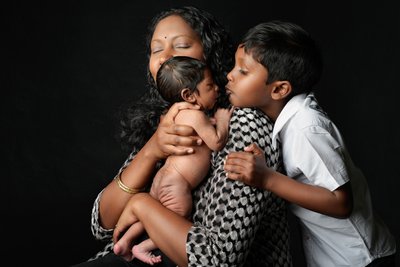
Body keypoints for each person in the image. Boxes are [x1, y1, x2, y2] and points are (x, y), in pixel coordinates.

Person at [71, 6, 292, 267]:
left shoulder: (241, 121)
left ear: (210, 55)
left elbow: (218, 260)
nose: (166, 57)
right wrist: (152, 150)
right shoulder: (167, 123)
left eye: (182, 45)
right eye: (156, 50)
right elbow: (103, 225)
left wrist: (141, 204)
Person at [223, 20, 397, 267]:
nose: (230, 74)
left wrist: (266, 178)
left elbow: (341, 203)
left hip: (361, 259)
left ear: (279, 89)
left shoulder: (306, 127)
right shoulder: (285, 120)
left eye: (243, 71)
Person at [114, 56, 233, 265]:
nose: (217, 89)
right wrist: (223, 122)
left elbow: (200, 128)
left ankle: (124, 241)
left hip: (163, 178)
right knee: (176, 220)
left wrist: (210, 121)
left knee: (152, 215)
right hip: (177, 184)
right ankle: (142, 246)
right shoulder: (196, 116)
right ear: (189, 95)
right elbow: (215, 142)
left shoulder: (177, 113)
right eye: (209, 86)